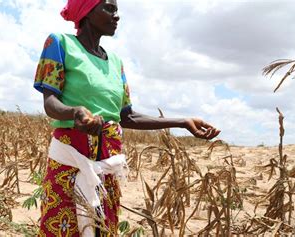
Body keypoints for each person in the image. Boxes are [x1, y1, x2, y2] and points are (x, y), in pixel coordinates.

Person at [33, 0, 221, 236]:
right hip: (69, 165)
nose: (117, 15)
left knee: (102, 230)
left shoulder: (116, 63)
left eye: (117, 9)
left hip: (107, 169)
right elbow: (50, 103)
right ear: (87, 11)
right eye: (109, 8)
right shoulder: (59, 43)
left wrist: (182, 122)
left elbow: (127, 116)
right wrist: (75, 113)